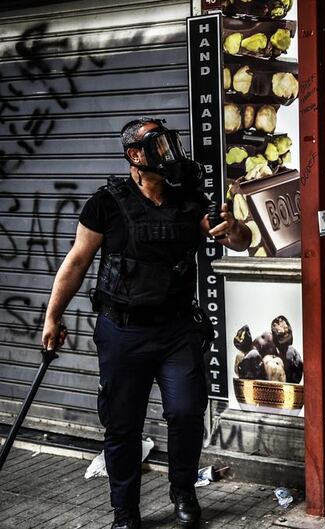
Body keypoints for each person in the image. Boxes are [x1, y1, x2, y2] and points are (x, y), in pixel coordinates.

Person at [40, 118, 251, 529]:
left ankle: (184, 492)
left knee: (188, 413)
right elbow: (78, 261)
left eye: (171, 142)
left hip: (176, 332)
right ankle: (125, 511)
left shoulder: (188, 199)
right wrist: (52, 315)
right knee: (123, 425)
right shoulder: (106, 202)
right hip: (122, 333)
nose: (169, 151)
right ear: (135, 156)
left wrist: (235, 230)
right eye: (157, 145)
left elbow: (236, 239)